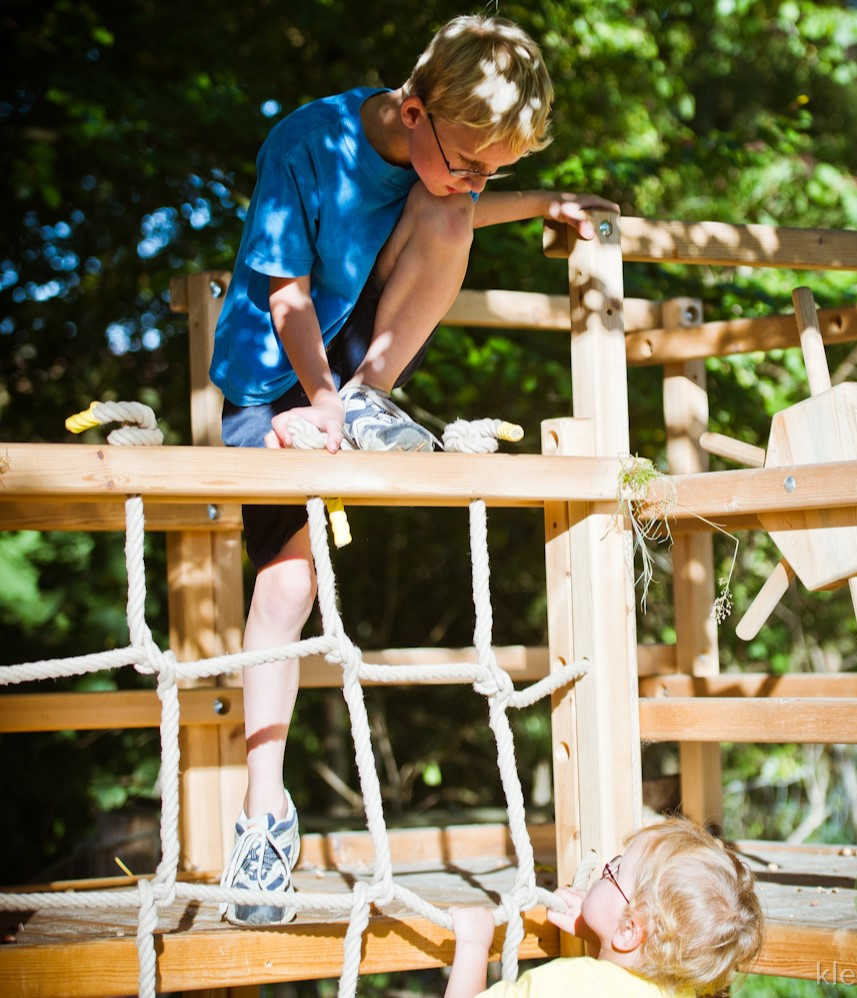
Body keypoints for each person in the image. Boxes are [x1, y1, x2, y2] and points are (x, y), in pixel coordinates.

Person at [211, 13, 619, 925]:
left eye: (496, 172)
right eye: (473, 160)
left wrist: (548, 202)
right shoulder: (308, 143)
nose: (480, 183)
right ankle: (261, 813)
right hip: (274, 369)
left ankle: (370, 397)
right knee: (287, 584)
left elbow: (445, 199)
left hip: (349, 364)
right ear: (411, 109)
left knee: (448, 214)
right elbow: (287, 294)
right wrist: (308, 407)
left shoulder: (442, 163)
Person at [446, 817, 764, 997]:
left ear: (629, 930)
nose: (604, 870)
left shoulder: (567, 985)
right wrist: (601, 933)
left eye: (615, 868)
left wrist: (473, 945)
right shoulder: (686, 987)